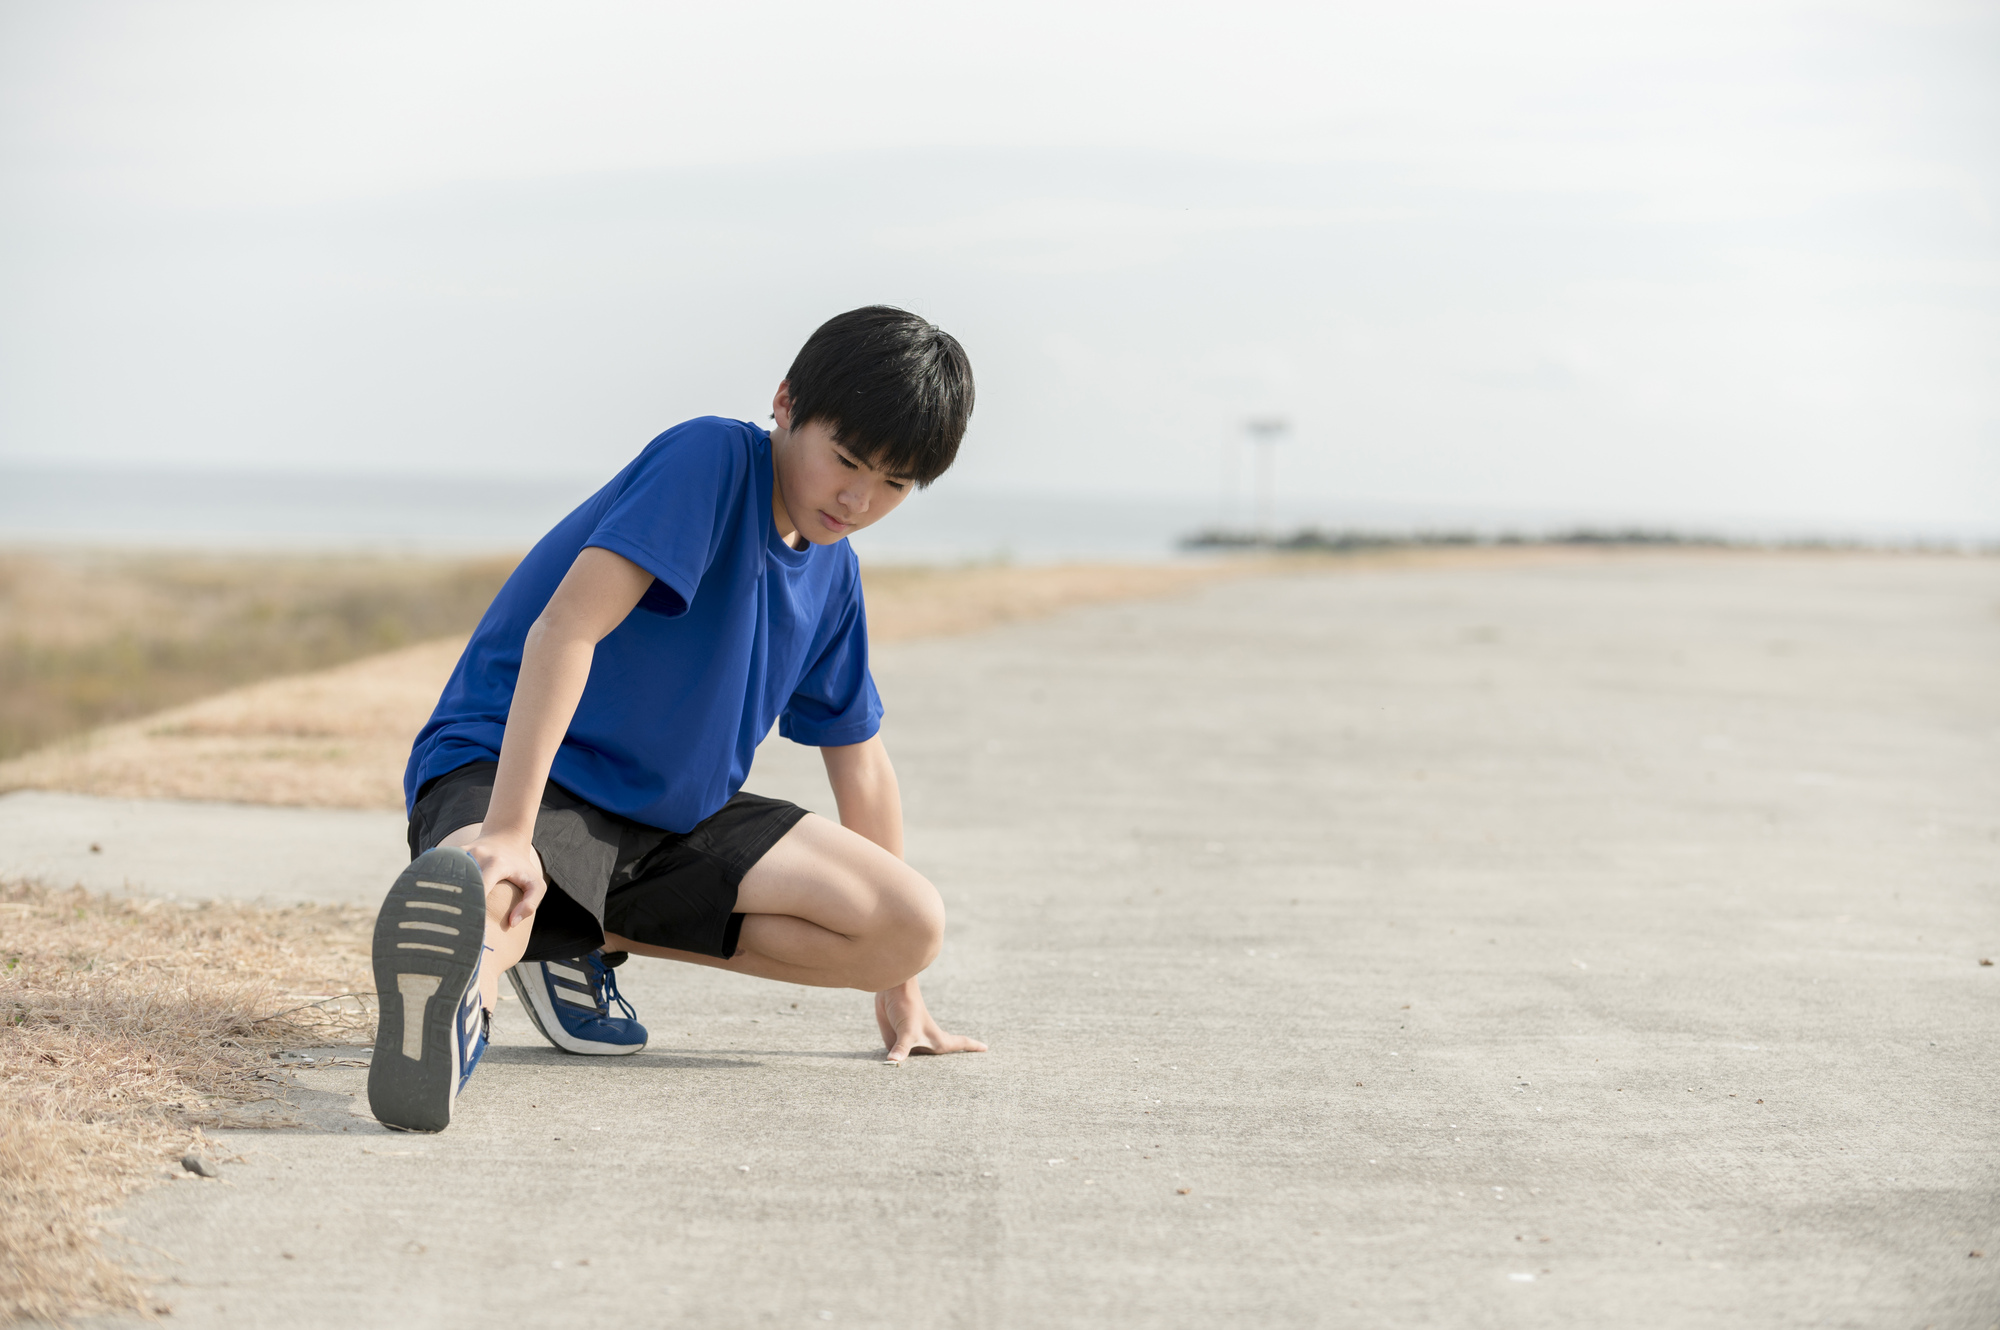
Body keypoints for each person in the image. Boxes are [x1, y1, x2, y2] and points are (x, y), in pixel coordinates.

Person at [366, 307, 985, 1133]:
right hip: (526, 768)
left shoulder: (833, 576)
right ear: (785, 403)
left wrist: (900, 988)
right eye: (846, 460)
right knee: (491, 886)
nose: (858, 498)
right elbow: (566, 629)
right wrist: (511, 832)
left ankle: (571, 934)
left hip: (668, 824)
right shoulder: (710, 461)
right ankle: (453, 1019)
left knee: (908, 925)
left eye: (895, 484)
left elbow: (861, 760)